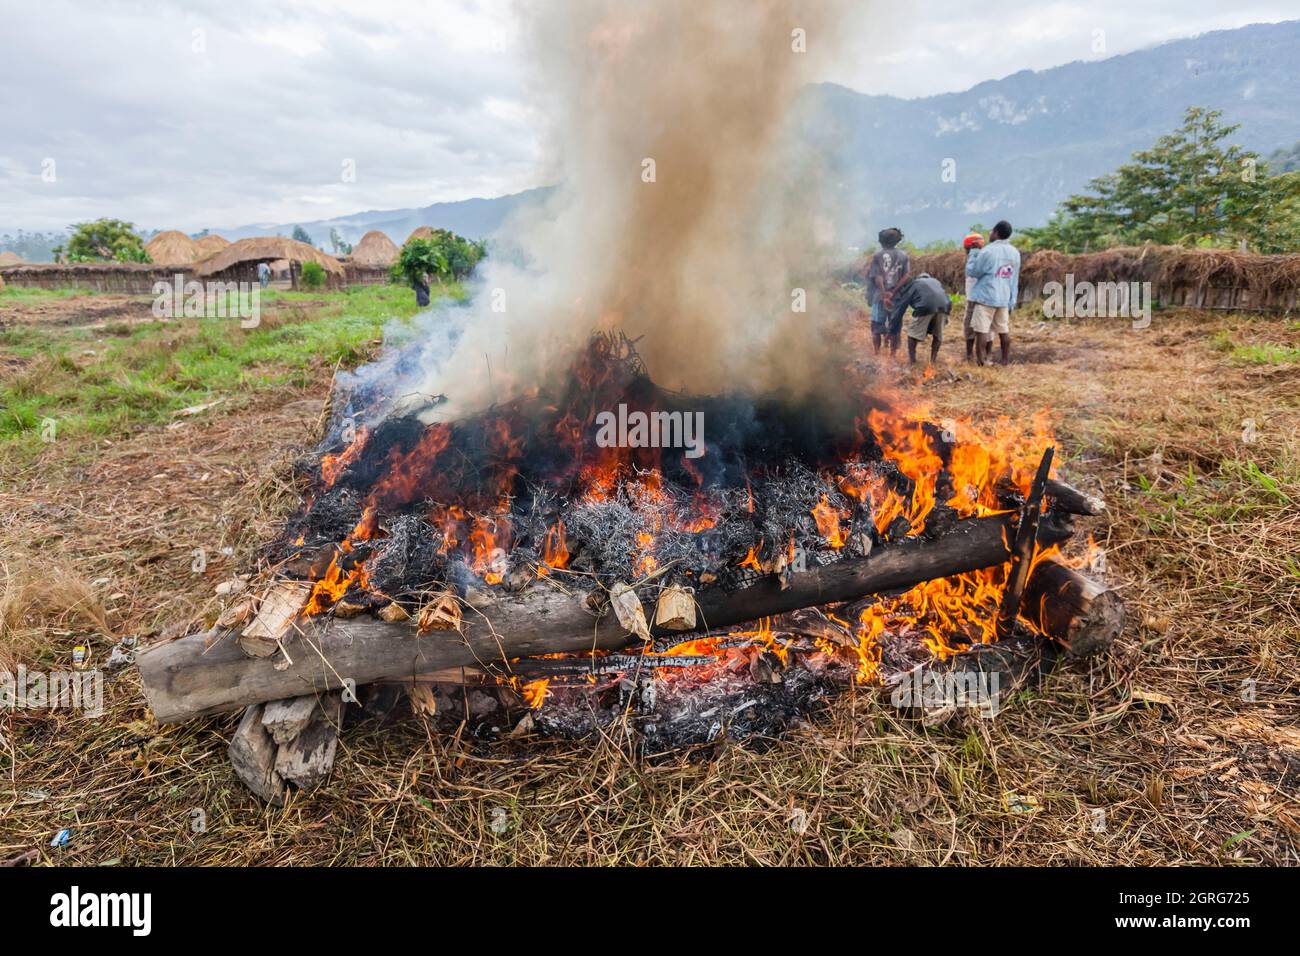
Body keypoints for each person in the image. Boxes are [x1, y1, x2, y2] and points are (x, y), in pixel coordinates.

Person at [964, 220, 1020, 365]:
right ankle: (1005, 360)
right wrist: (1011, 301)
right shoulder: (1015, 252)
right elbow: (1014, 279)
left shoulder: (987, 251)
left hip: (986, 297)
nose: (989, 233)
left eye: (991, 231)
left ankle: (981, 361)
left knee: (981, 330)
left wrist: (973, 253)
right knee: (1003, 330)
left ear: (996, 232)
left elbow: (973, 272)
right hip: (1004, 299)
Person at [887, 273, 951, 366]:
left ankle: (912, 363)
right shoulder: (936, 282)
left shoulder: (914, 283)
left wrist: (891, 329)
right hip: (944, 307)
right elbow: (945, 297)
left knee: (912, 334)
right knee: (938, 334)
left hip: (925, 306)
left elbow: (900, 308)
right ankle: (933, 361)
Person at [865, 227, 910, 356]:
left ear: (882, 241)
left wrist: (884, 293)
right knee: (895, 327)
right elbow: (906, 276)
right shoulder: (903, 255)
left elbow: (877, 276)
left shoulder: (878, 255)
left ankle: (877, 353)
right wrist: (894, 292)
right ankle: (892, 355)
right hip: (897, 298)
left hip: (880, 297)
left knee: (876, 325)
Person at [961, 232, 984, 361]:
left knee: (969, 326)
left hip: (973, 298)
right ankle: (985, 354)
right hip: (985, 298)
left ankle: (970, 355)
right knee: (985, 328)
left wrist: (973, 253)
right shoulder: (987, 256)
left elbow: (970, 273)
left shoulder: (974, 257)